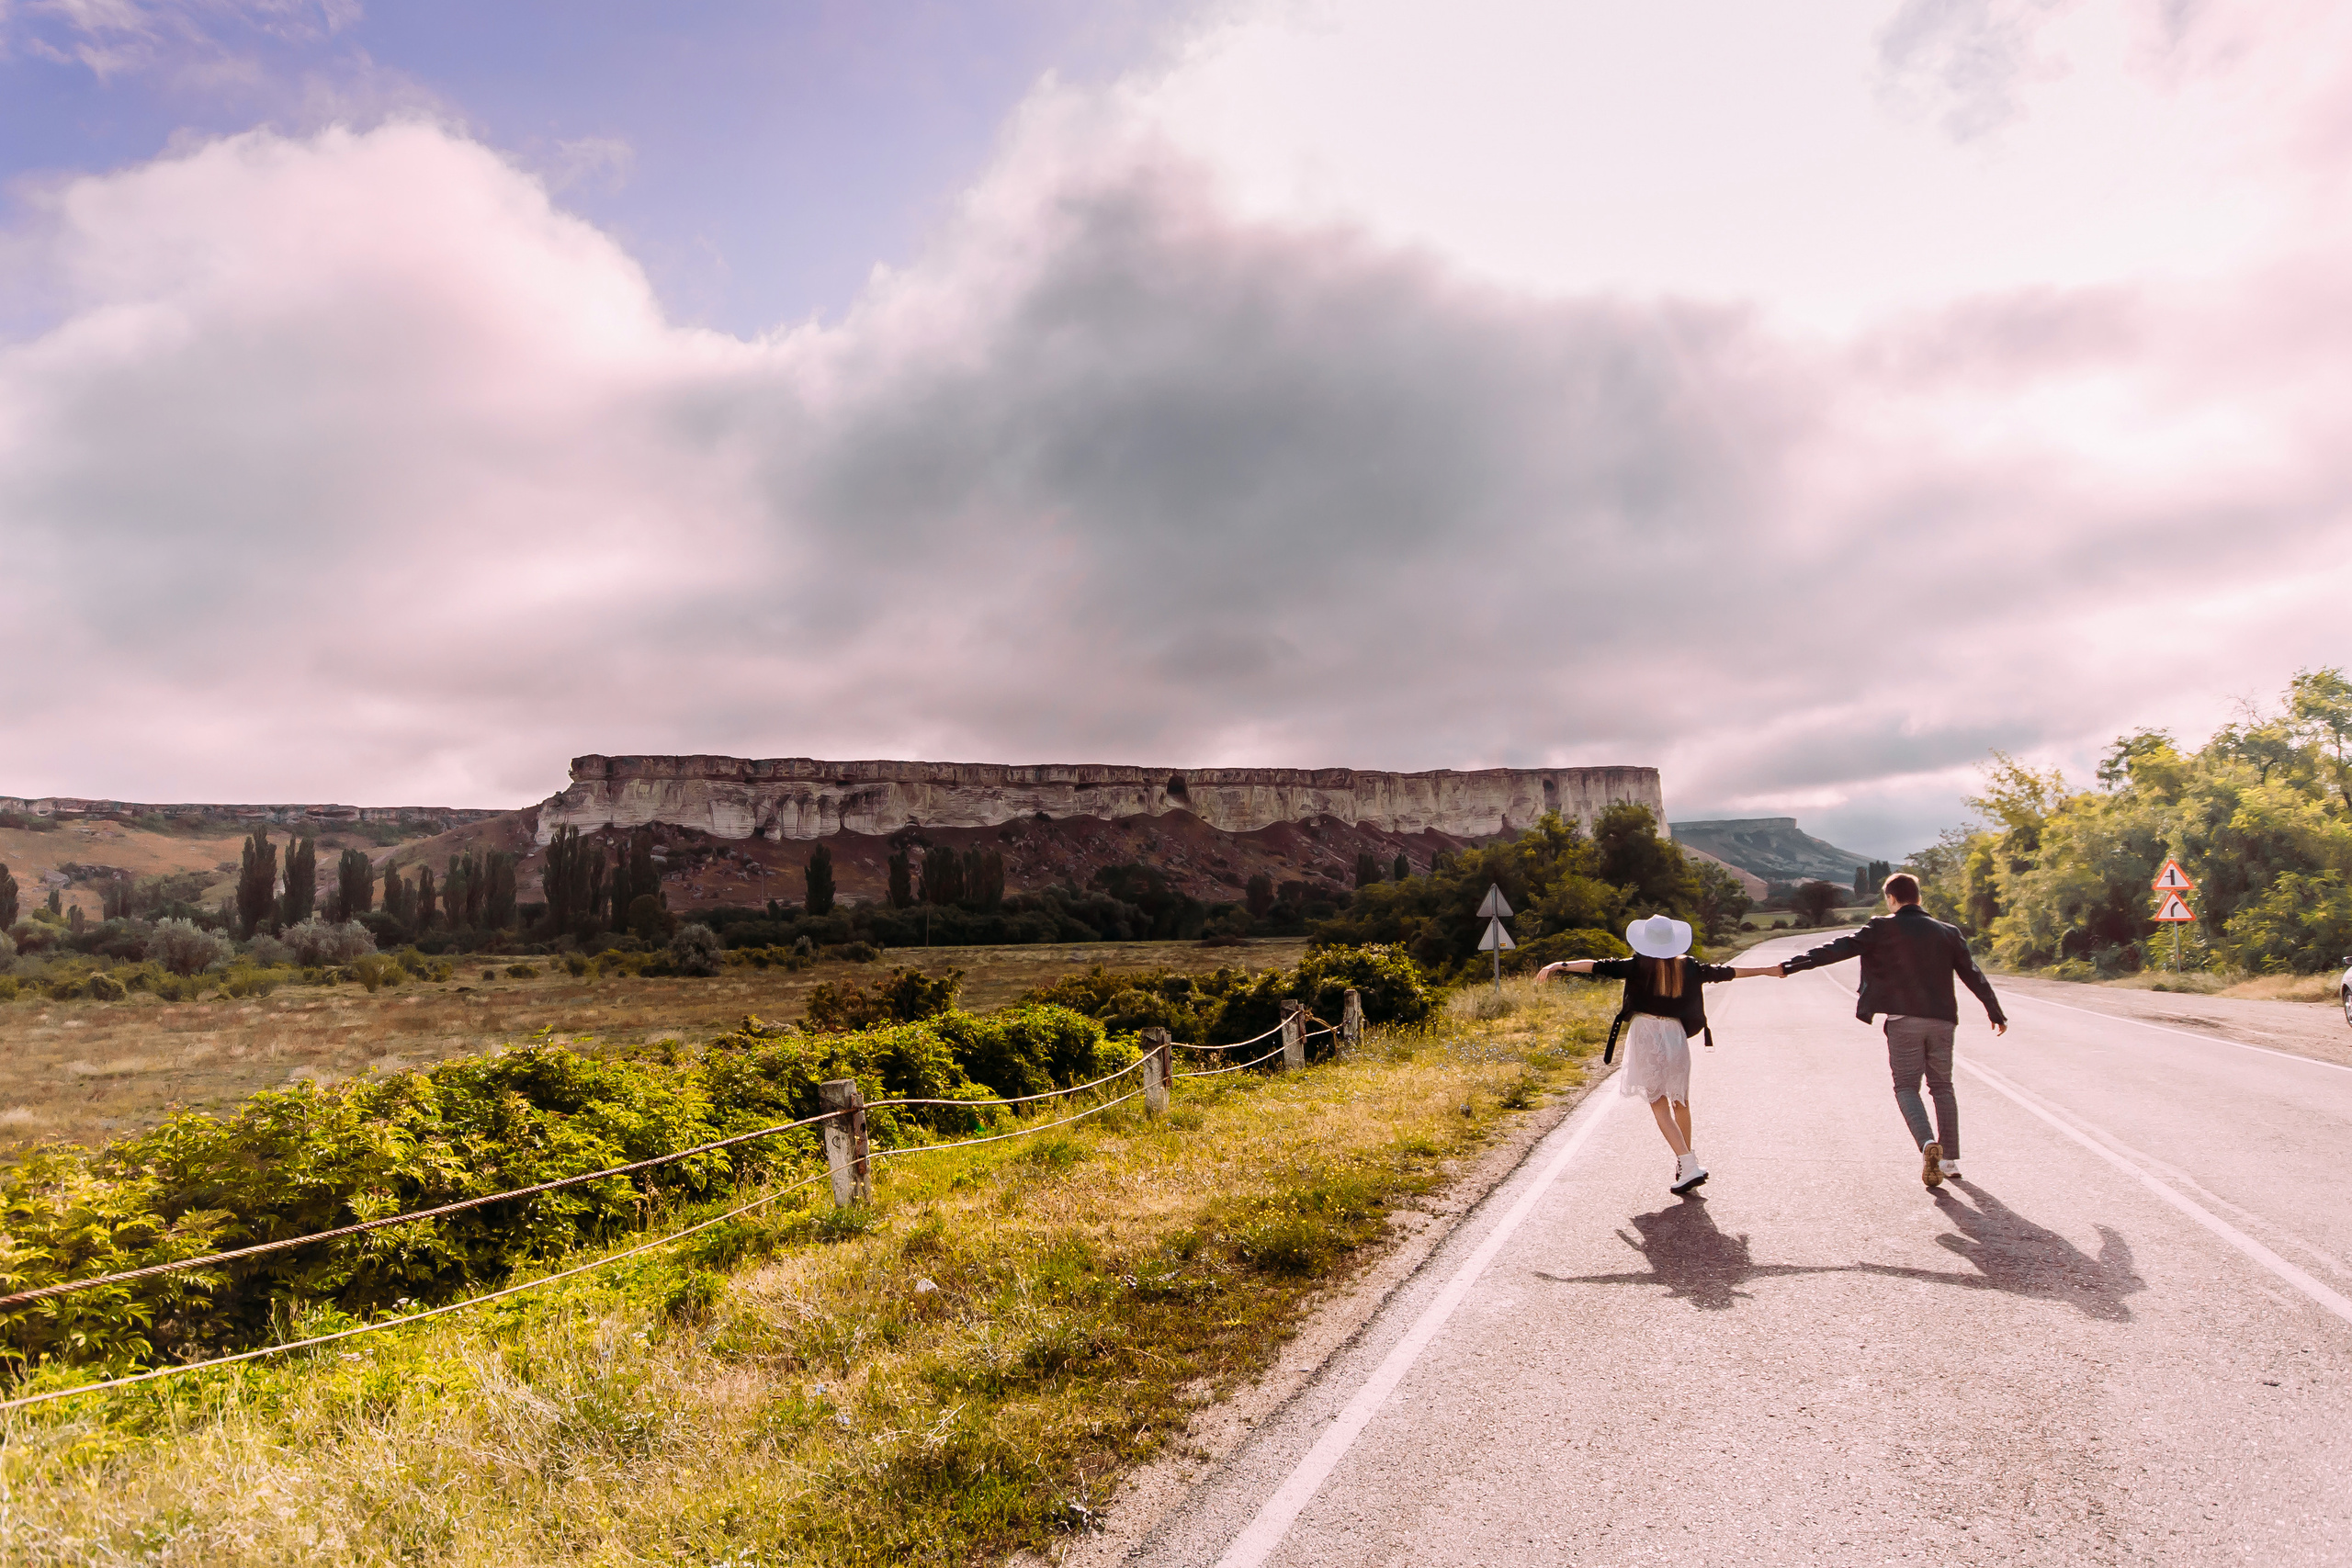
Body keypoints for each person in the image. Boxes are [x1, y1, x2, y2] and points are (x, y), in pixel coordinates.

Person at [1776, 872, 2007, 1189]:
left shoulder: (1882, 927)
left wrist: (1792, 965)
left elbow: (1838, 948)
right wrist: (1994, 1011)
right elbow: (1973, 973)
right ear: (1919, 897)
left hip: (1903, 1022)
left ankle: (1928, 1145)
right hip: (1943, 1021)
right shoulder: (1948, 932)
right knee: (1942, 1087)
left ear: (1891, 898)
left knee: (1906, 1087)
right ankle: (1950, 1160)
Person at [1539, 914, 1781, 1195]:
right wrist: (1766, 969)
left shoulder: (1637, 965)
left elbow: (1597, 966)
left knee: (1658, 1102)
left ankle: (1687, 1162)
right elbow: (1725, 973)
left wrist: (1560, 966)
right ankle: (1686, 1163)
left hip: (1646, 1033)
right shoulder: (1688, 966)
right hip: (1675, 1034)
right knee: (1680, 1101)